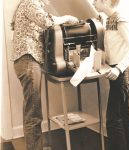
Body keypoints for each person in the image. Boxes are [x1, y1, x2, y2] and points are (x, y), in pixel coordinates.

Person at [11, 0, 79, 150]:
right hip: (28, 60)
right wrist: (67, 17)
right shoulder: (30, 3)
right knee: (34, 112)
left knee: (31, 109)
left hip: (26, 61)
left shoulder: (29, 5)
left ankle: (35, 146)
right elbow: (48, 21)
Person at [93, 0, 129, 150]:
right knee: (123, 114)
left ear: (105, 1)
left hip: (123, 72)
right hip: (118, 72)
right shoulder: (109, 20)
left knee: (113, 119)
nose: (93, 3)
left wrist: (118, 69)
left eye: (95, 0)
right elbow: (114, 49)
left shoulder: (121, 19)